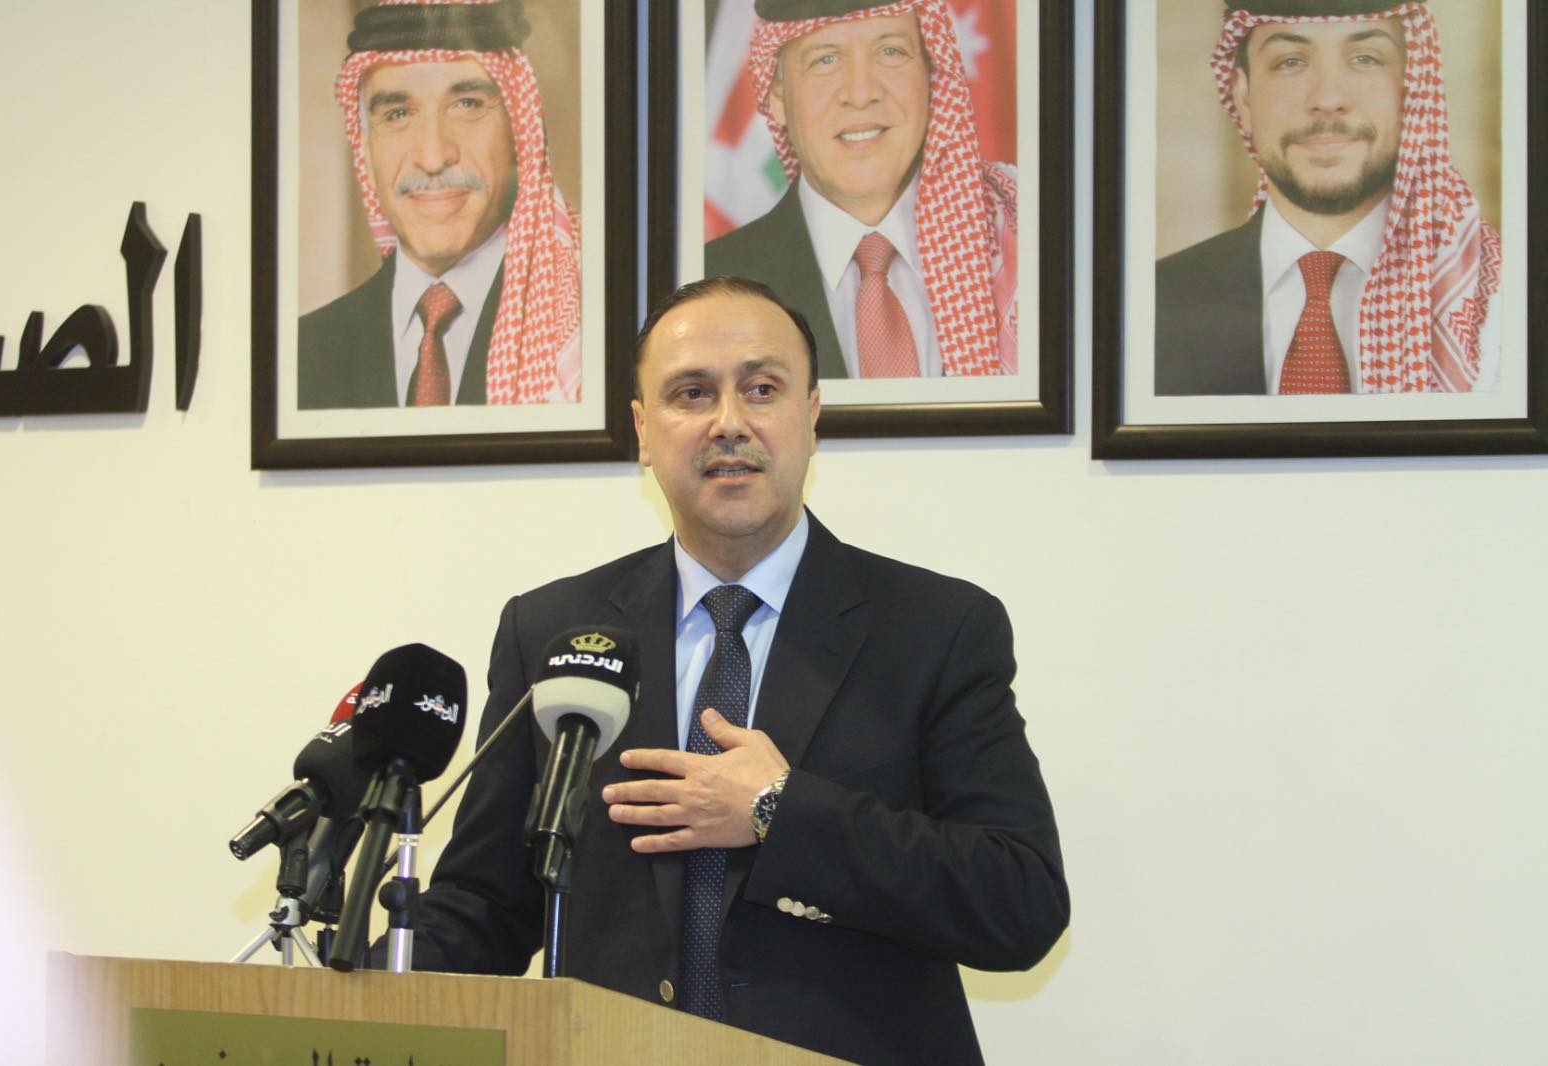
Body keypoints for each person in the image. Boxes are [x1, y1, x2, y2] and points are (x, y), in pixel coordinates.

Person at [401, 277, 1067, 1066]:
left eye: (761, 389)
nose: (728, 422)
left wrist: (778, 810)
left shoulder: (935, 629)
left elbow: (1018, 903)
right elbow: (488, 902)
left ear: (811, 415)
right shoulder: (552, 632)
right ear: (643, 431)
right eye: (691, 393)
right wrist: (362, 985)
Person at [1156, 0, 1501, 396]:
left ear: (1413, 89)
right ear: (1243, 98)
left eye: (1365, 59)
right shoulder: (1151, 306)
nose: (1328, 97)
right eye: (1290, 62)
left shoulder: (1495, 303)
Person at [704, 0, 1018, 381]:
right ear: (778, 97)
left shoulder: (1023, 248)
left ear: (931, 76)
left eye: (890, 52)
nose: (861, 93)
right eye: (825, 59)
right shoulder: (710, 283)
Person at [298, 0, 580, 409]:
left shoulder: (585, 333)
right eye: (397, 114)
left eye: (467, 105)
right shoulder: (304, 354)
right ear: (366, 149)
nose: (432, 157)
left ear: (519, 133)